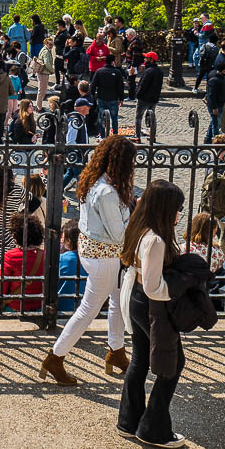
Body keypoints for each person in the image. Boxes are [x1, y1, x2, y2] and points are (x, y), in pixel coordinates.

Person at [41, 136, 136, 384]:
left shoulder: (94, 180)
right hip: (105, 255)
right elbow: (118, 233)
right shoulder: (106, 192)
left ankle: (117, 351)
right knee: (88, 309)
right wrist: (137, 218)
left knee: (116, 300)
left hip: (98, 252)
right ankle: (55, 357)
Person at [116, 179, 190, 448]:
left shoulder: (138, 228)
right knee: (173, 363)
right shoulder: (156, 240)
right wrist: (182, 284)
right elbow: (154, 287)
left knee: (139, 360)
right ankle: (153, 428)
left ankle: (129, 420)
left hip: (134, 300)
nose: (180, 213)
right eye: (178, 208)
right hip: (150, 306)